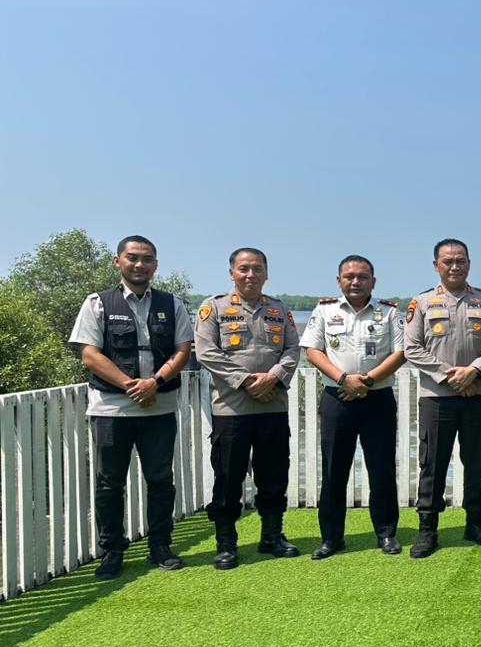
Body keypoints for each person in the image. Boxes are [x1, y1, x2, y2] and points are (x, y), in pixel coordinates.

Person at [68, 235, 193, 579]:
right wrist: (131, 386)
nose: (140, 265)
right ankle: (112, 550)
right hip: (111, 410)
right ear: (117, 261)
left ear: (156, 264)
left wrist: (155, 382)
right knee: (110, 482)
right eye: (133, 257)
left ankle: (160, 546)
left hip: (159, 408)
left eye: (147, 259)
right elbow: (89, 354)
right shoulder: (97, 303)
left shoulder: (172, 303)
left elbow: (183, 350)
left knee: (161, 480)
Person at [194, 247, 302, 570]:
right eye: (243, 269)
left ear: (266, 273)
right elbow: (206, 352)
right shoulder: (213, 308)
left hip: (273, 406)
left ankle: (272, 536)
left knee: (274, 475)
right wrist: (246, 382)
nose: (250, 274)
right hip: (232, 409)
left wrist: (273, 378)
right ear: (232, 273)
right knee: (228, 477)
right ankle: (226, 543)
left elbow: (293, 349)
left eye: (257, 268)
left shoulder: (280, 310)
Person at [402, 238, 481, 558]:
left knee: (476, 460)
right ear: (436, 266)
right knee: (433, 463)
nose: (454, 266)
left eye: (460, 260)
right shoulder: (422, 302)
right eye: (448, 261)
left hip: (478, 394)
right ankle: (427, 529)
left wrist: (473, 371)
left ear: (469, 264)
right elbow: (411, 348)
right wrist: (451, 376)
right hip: (437, 397)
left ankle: (475, 523)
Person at [299, 255, 406, 560]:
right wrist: (344, 379)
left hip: (378, 398)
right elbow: (312, 351)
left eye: (362, 277)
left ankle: (386, 533)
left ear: (373, 281)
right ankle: (331, 538)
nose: (355, 282)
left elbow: (401, 353)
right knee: (334, 469)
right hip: (337, 398)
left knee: (381, 469)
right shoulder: (325, 310)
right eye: (349, 277)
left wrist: (367, 381)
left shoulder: (390, 312)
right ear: (339, 281)